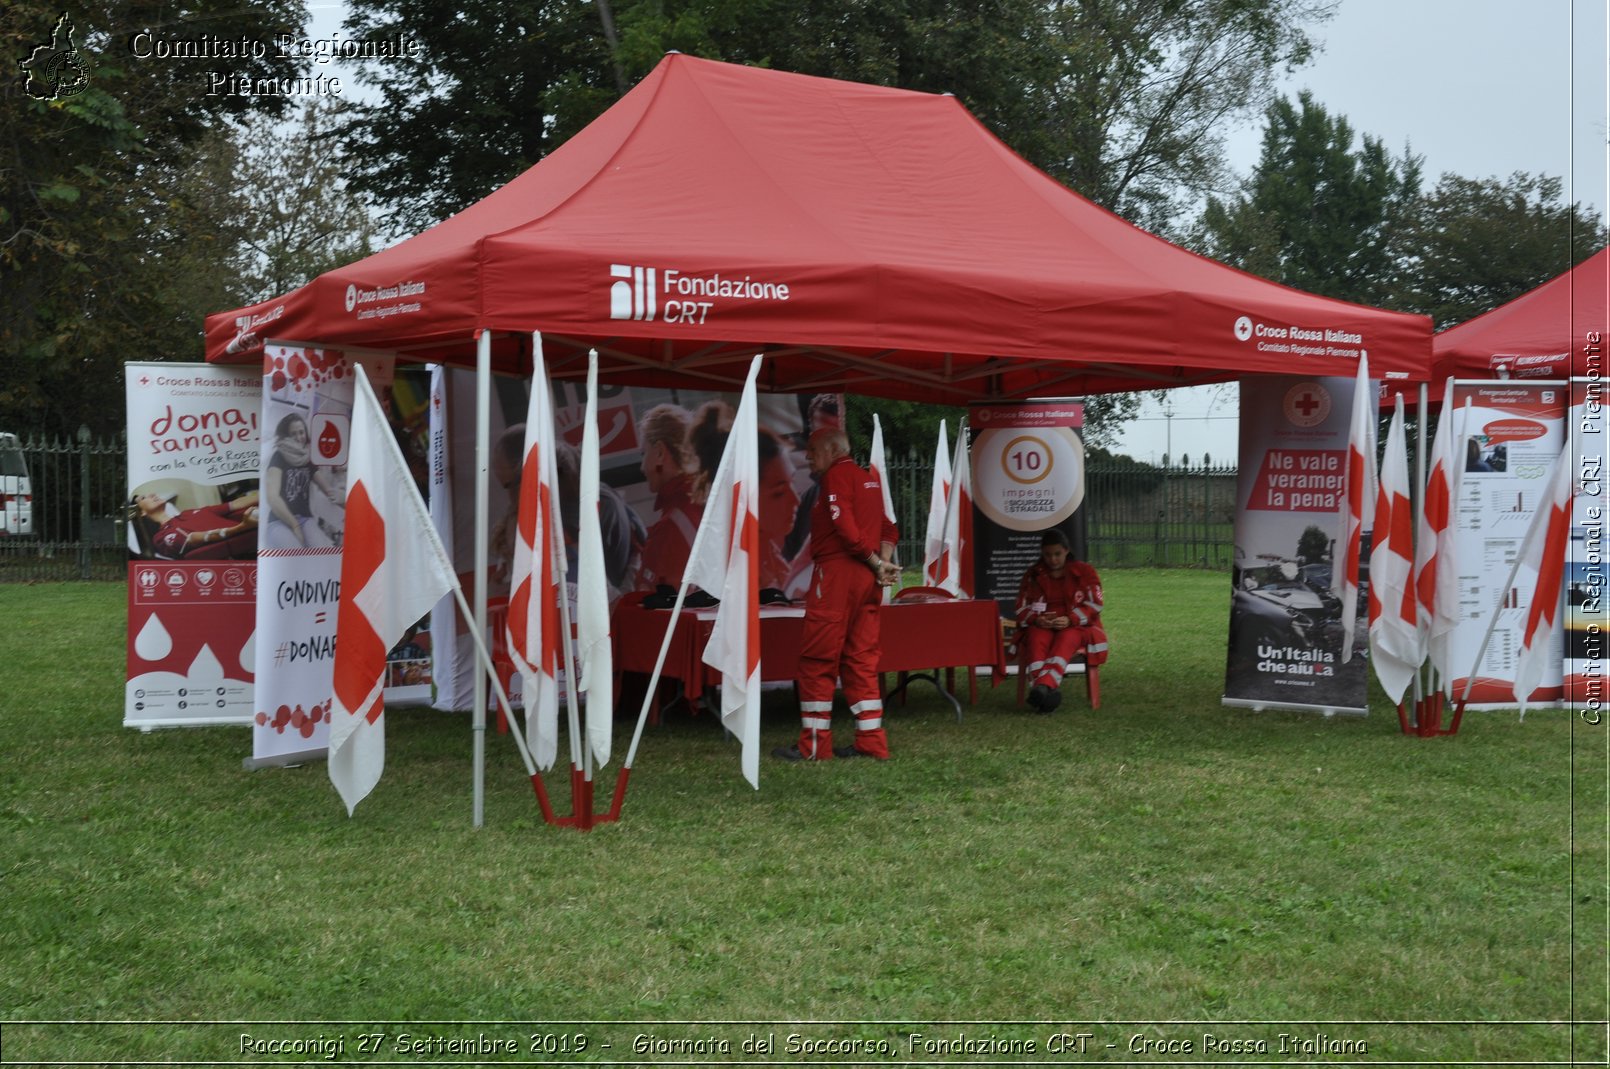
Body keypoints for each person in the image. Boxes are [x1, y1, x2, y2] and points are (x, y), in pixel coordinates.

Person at [774, 428, 899, 762]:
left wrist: (874, 560)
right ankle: (871, 742)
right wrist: (881, 563)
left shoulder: (836, 477)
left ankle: (814, 745)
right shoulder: (867, 479)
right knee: (861, 658)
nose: (808, 457)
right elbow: (890, 528)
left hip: (838, 576)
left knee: (818, 659)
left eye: (813, 450)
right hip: (866, 579)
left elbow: (844, 527)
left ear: (832, 450)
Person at [1015, 528, 1107, 713]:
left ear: (1066, 551)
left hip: (1077, 626)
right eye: (1048, 555)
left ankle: (1041, 687)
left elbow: (1095, 604)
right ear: (1042, 553)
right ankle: (1047, 693)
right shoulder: (1033, 574)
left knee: (1067, 639)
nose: (1053, 559)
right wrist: (1038, 619)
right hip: (1043, 625)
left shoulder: (1085, 572)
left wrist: (1070, 619)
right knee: (1035, 638)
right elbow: (1020, 607)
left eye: (1057, 554)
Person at [634, 404, 704, 591]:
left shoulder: (672, 526)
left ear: (659, 453)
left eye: (644, 453)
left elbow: (652, 605)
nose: (642, 467)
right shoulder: (705, 501)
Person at [264, 413, 344, 549]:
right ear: (286, 436)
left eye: (301, 432)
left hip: (305, 519)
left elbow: (327, 489)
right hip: (279, 521)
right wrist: (294, 525)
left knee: (320, 551)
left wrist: (343, 498)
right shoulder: (279, 456)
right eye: (293, 433)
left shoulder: (308, 460)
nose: (299, 437)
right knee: (295, 552)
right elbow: (272, 497)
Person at [130, 489, 260, 560]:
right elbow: (195, 539)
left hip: (253, 530)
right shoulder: (162, 536)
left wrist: (266, 495)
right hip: (247, 547)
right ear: (142, 513)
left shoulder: (189, 513)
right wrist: (242, 527)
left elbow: (235, 504)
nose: (153, 494)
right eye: (143, 498)